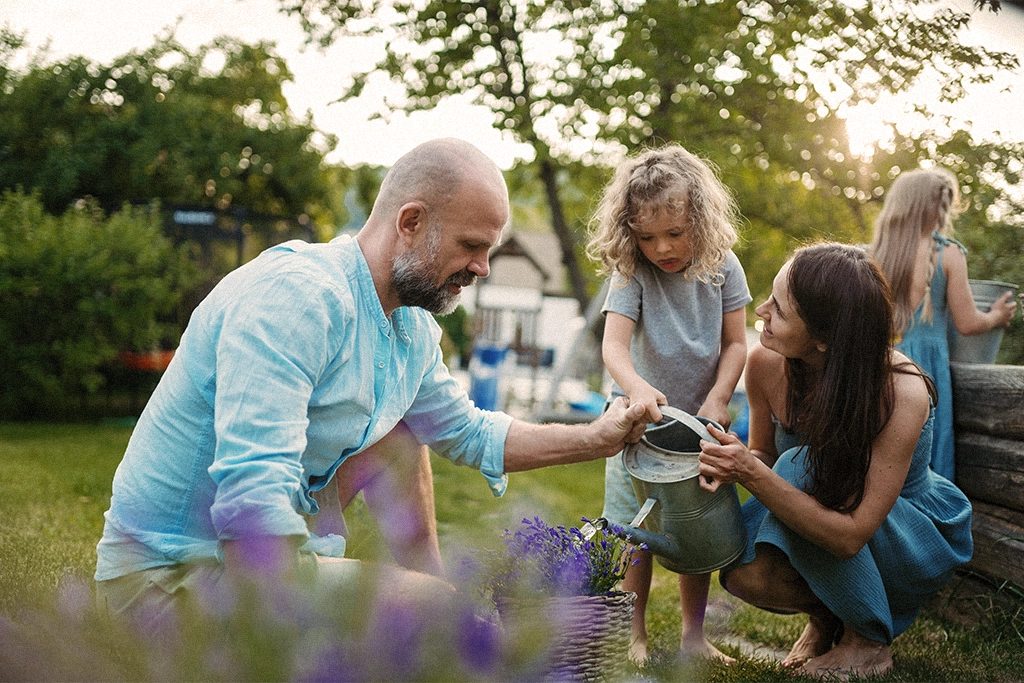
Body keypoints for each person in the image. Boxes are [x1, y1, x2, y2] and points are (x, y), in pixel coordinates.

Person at [94, 137, 648, 622]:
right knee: (440, 622)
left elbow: (471, 433)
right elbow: (252, 499)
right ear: (411, 223)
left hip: (260, 558)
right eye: (471, 246)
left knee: (404, 436)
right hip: (172, 576)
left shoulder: (409, 324)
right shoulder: (299, 298)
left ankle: (427, 589)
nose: (482, 268)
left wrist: (596, 437)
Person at [698, 242, 973, 680]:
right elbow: (764, 453)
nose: (762, 310)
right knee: (744, 572)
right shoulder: (766, 362)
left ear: (825, 338)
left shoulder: (901, 391)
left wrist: (752, 474)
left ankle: (867, 643)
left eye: (780, 310)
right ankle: (829, 618)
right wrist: (735, 462)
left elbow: (850, 536)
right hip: (825, 505)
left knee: (798, 466)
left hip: (901, 530)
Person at [586, 144, 752, 664]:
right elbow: (613, 345)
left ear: (700, 219)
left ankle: (693, 636)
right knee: (638, 530)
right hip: (639, 426)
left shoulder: (724, 265)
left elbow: (736, 343)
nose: (662, 247)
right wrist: (635, 387)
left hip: (699, 422)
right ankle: (632, 631)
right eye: (647, 235)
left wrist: (720, 397)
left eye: (675, 233)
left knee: (693, 528)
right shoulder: (631, 271)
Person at [869, 167, 1017, 479]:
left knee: (882, 445)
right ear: (939, 207)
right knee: (929, 449)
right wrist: (997, 316)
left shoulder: (875, 253)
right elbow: (967, 323)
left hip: (881, 361)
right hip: (928, 366)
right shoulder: (948, 253)